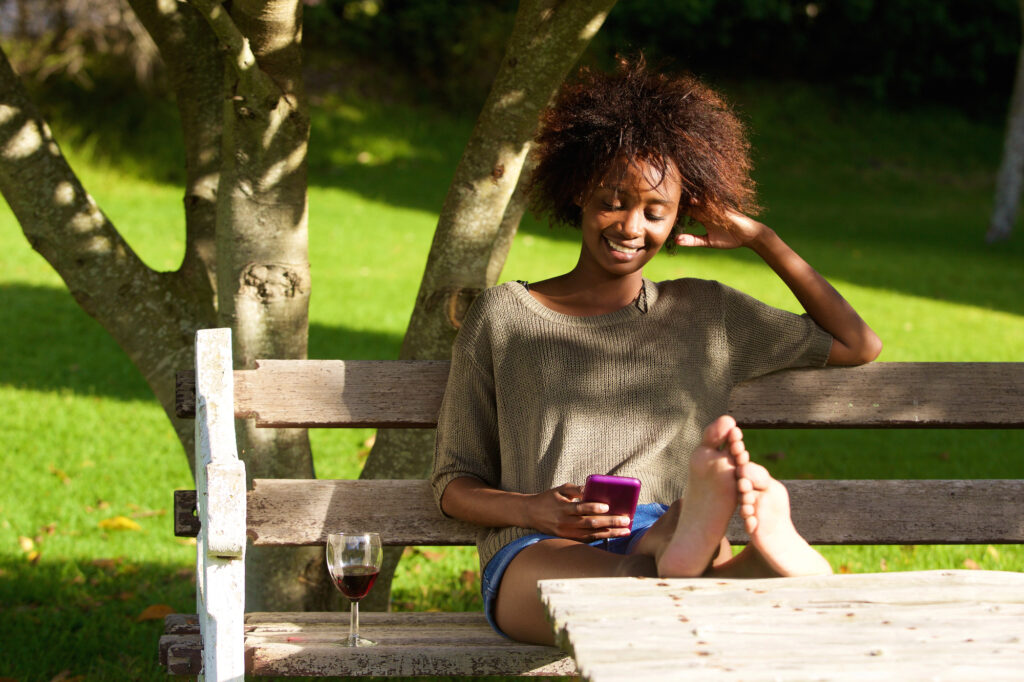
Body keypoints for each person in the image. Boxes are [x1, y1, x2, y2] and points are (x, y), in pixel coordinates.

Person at [430, 57, 882, 646]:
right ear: (579, 192)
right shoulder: (504, 315)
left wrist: (761, 239)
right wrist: (534, 509)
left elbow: (857, 343)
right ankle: (751, 569)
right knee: (642, 587)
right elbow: (451, 483)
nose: (630, 226)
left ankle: (690, 532)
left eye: (654, 211)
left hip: (660, 527)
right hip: (538, 544)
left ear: (678, 218)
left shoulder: (706, 311)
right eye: (613, 201)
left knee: (661, 553)